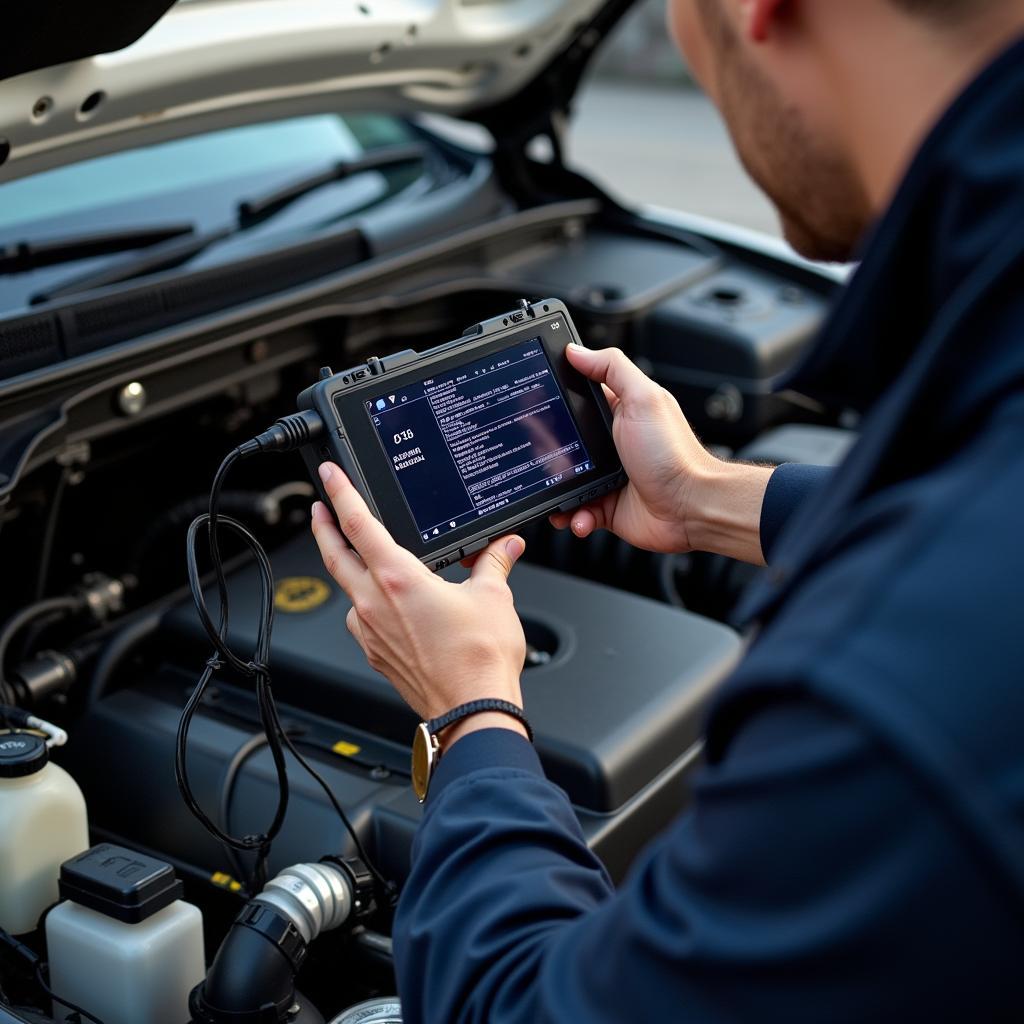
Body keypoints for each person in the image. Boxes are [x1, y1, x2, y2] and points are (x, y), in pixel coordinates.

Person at [310, 0, 1024, 1019]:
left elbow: (526, 1008)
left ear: (753, 9)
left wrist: (468, 713)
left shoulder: (886, 706)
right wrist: (710, 498)